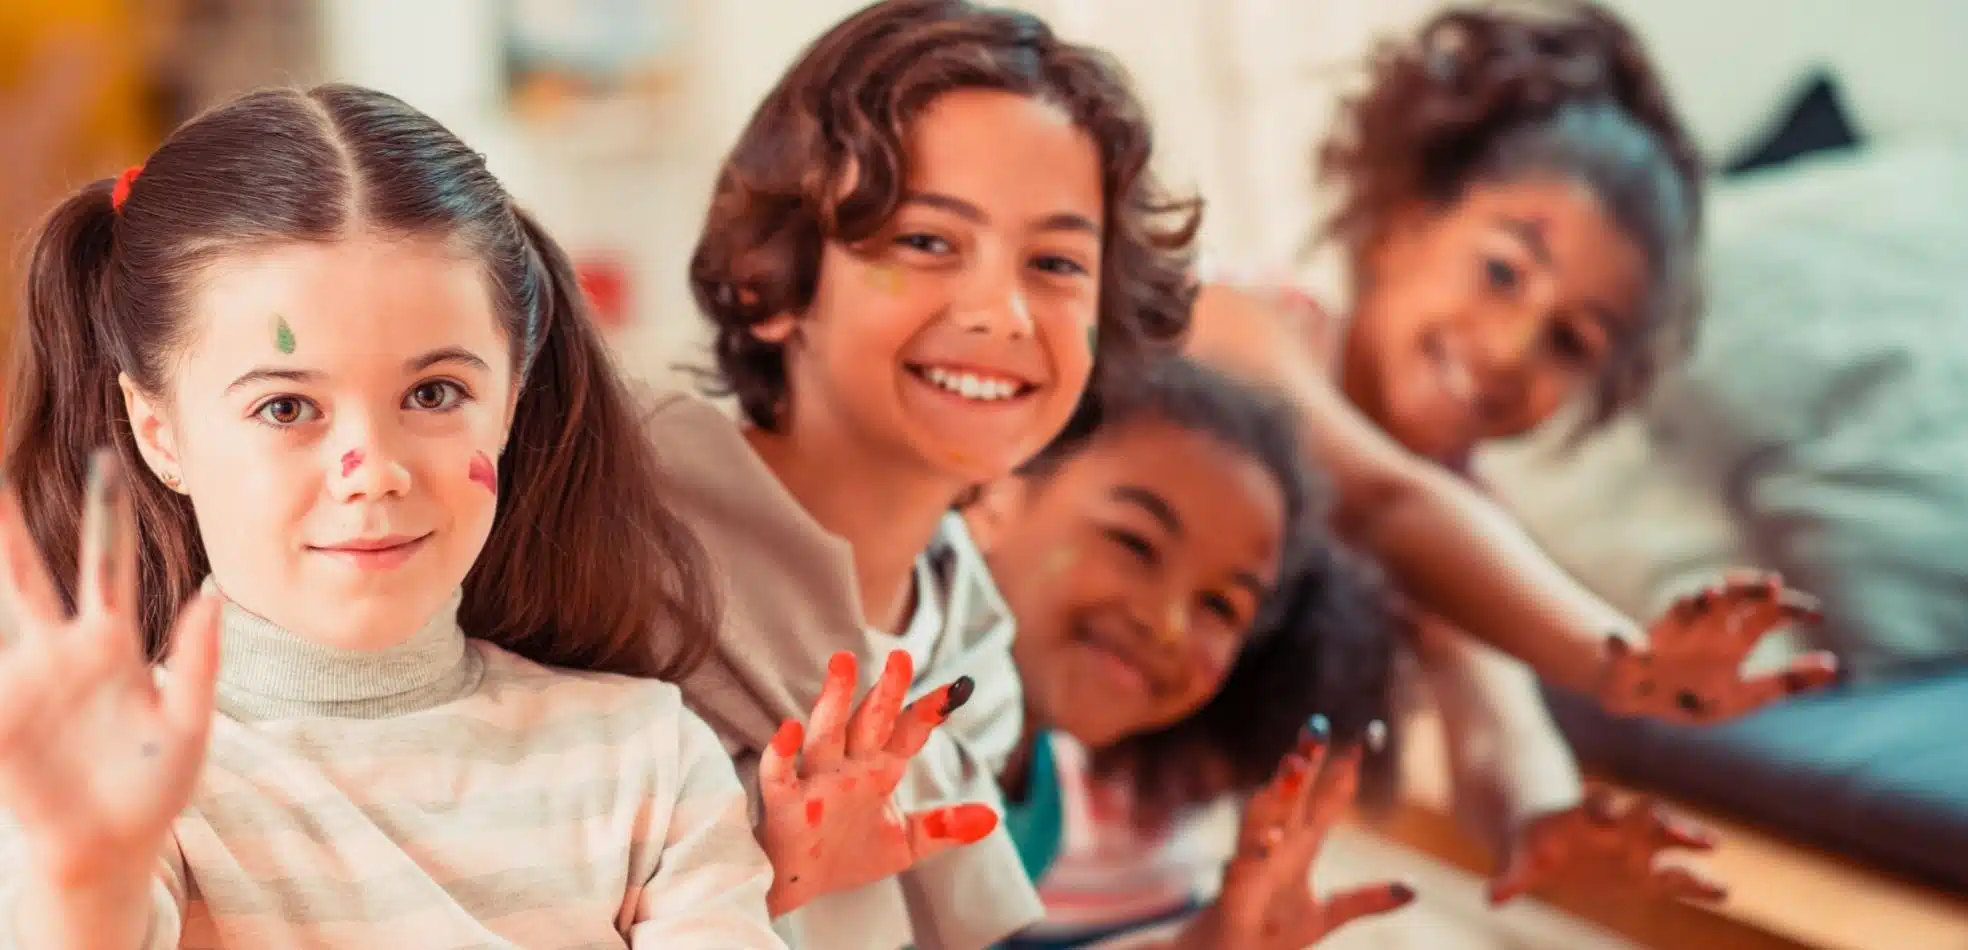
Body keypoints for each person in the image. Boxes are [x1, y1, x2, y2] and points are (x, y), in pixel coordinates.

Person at [0, 83, 941, 949]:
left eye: (433, 393)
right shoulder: (121, 785)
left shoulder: (643, 753)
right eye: (285, 405)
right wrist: (87, 867)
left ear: (510, 395)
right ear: (158, 430)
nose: (370, 468)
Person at [649, 1, 1198, 946]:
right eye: (928, 242)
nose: (1005, 314)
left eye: (1057, 262)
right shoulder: (615, 537)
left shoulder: (978, 664)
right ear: (768, 280)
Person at [1187, 0, 1838, 724]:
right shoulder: (1232, 325)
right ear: (1404, 221)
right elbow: (1380, 504)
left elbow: (1504, 737)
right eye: (1501, 272)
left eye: (1572, 341)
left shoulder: (1462, 529)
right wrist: (1625, 663)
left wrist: (1544, 825)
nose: (1507, 349)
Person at [964, 358, 1726, 948]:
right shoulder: (905, 722)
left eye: (1222, 606)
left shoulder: (1035, 807)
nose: (1168, 626)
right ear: (995, 496)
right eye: (1134, 542)